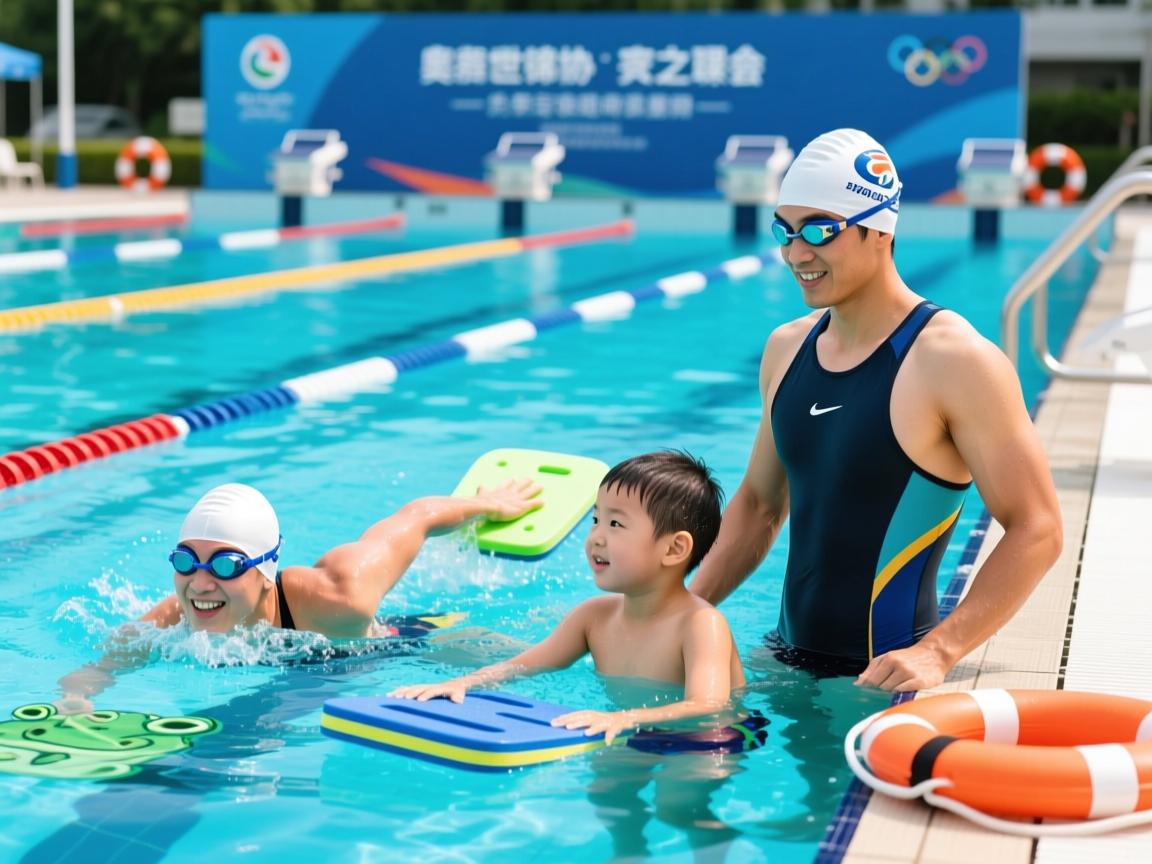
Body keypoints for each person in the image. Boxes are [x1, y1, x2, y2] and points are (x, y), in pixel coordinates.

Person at [689, 128, 1063, 692]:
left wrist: (939, 651)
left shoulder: (954, 359)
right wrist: (680, 610)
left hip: (883, 683)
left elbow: (1038, 528)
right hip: (783, 659)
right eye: (785, 232)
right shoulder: (786, 348)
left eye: (819, 230)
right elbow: (762, 504)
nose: (796, 253)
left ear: (880, 229)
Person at [56, 478, 543, 711]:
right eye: (186, 559)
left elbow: (414, 518)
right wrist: (75, 700)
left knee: (523, 663)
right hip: (302, 671)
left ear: (264, 570)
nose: (200, 583)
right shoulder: (179, 614)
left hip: (396, 648)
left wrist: (488, 505)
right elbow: (102, 665)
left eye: (225, 564)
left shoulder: (340, 594)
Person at [391, 450, 749, 746]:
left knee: (680, 806)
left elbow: (708, 704)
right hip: (624, 726)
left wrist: (625, 717)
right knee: (609, 796)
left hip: (708, 738)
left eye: (615, 525)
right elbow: (524, 664)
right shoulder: (594, 617)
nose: (596, 537)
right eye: (596, 519)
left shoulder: (701, 624)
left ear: (674, 548)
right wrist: (461, 683)